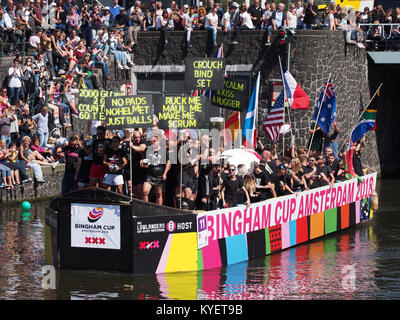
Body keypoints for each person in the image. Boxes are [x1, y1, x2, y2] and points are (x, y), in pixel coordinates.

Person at [142, 132, 170, 205]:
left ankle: (159, 210)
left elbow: (168, 162)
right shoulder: (148, 150)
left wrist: (165, 173)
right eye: (152, 141)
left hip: (159, 174)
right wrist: (143, 164)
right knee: (145, 191)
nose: (153, 142)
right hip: (150, 173)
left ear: (158, 141)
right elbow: (143, 160)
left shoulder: (163, 150)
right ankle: (146, 208)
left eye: (155, 141)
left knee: (158, 194)